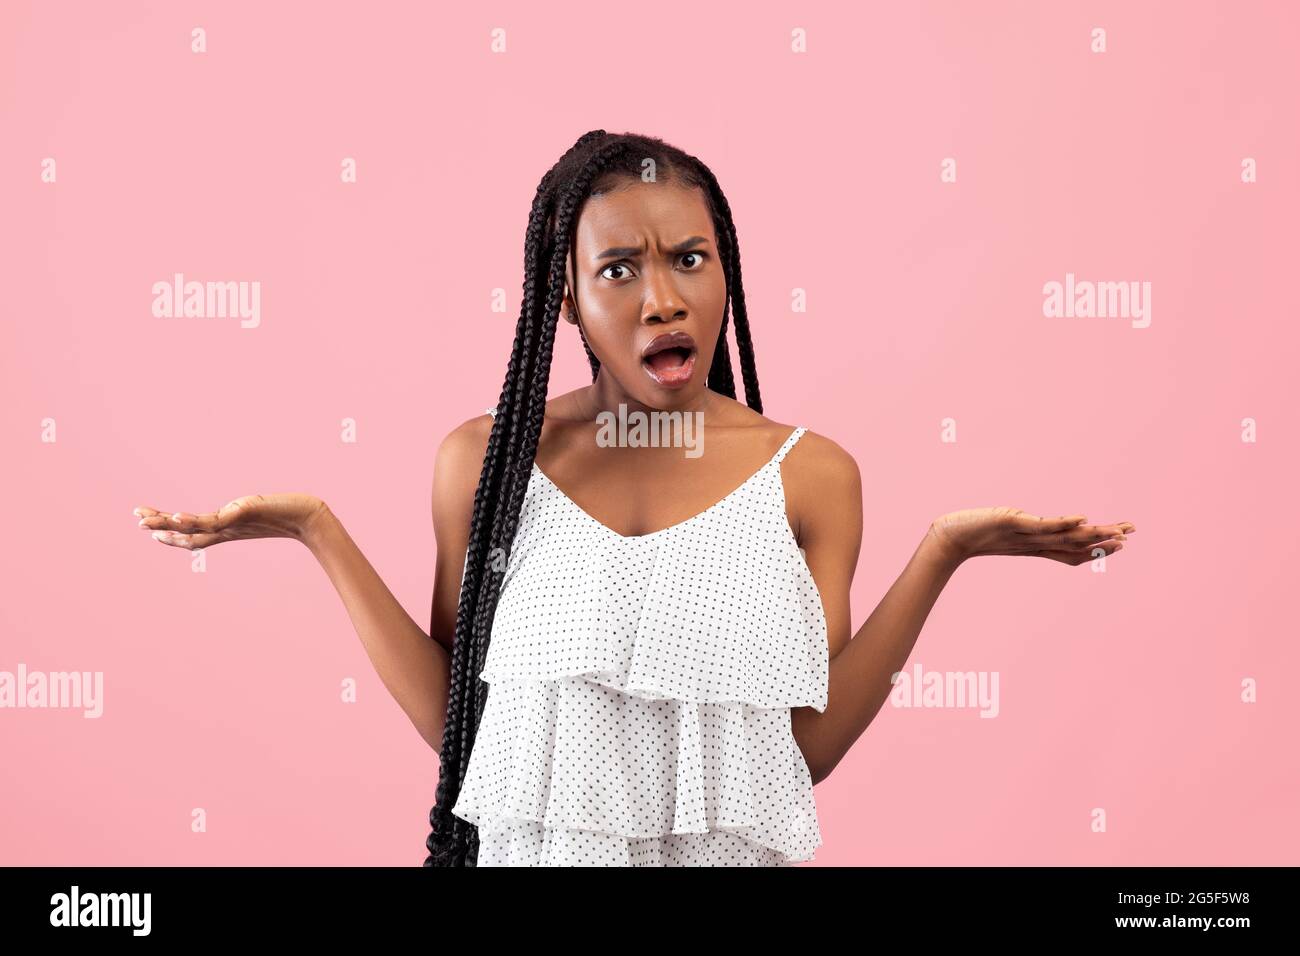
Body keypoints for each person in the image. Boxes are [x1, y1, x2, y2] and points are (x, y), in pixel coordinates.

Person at [133, 130, 1135, 867]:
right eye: (620, 268)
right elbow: (468, 736)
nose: (664, 297)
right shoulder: (483, 462)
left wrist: (941, 552)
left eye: (690, 259)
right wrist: (317, 531)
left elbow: (798, 752)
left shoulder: (810, 474)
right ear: (563, 296)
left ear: (725, 273)